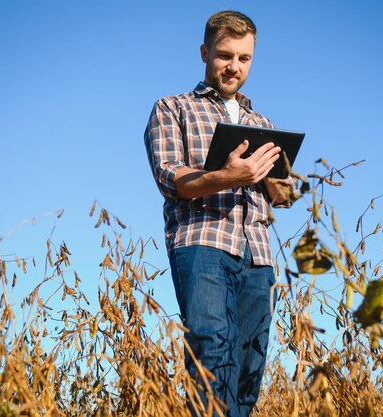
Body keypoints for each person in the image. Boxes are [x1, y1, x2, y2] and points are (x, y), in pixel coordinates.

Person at [144, 10, 295, 417]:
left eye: (244, 58)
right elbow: (173, 180)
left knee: (249, 366)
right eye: (224, 55)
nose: (234, 67)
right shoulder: (172, 108)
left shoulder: (262, 123)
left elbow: (283, 196)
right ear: (204, 52)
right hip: (203, 245)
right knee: (212, 353)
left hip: (259, 256)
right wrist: (229, 176)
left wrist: (272, 181)